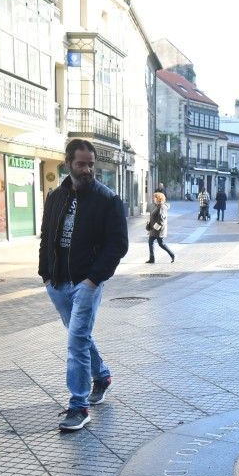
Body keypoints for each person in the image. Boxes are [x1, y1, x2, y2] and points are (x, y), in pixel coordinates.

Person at [39, 139, 129, 432]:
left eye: (91, 164)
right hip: (58, 282)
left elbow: (118, 245)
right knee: (79, 336)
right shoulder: (55, 198)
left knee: (76, 339)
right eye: (82, 164)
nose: (88, 169)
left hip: (87, 282)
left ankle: (79, 406)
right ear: (68, 164)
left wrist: (93, 279)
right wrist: (46, 275)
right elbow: (46, 237)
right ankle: (101, 376)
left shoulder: (108, 199)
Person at [144, 191, 174, 264]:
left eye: (155, 198)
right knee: (155, 243)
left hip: (158, 230)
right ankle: (152, 259)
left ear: (159, 199)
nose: (154, 199)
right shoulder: (157, 206)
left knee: (160, 244)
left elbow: (161, 220)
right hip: (154, 229)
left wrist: (154, 228)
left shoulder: (162, 207)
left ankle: (171, 254)